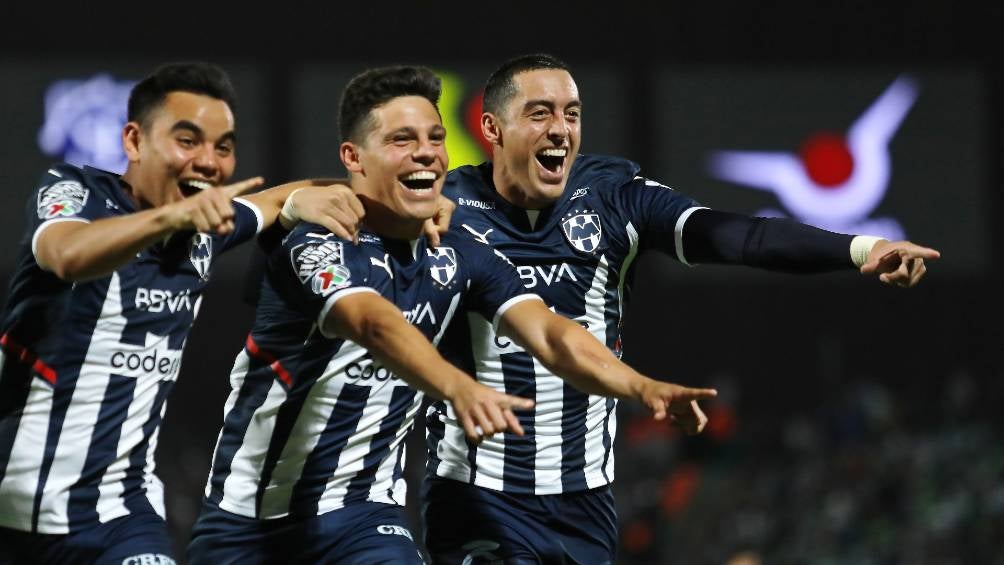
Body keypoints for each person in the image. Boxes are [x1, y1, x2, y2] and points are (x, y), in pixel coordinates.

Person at [420, 53, 942, 564]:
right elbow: (359, 200)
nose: (561, 129)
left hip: (584, 503)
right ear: (492, 128)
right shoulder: (443, 206)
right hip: (475, 494)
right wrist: (335, 196)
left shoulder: (615, 196)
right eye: (540, 113)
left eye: (572, 114)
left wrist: (859, 249)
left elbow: (739, 236)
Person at [186, 65, 717, 565]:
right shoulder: (315, 241)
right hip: (245, 524)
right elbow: (374, 323)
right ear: (353, 157)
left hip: (365, 517)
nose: (427, 155)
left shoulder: (463, 251)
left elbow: (553, 336)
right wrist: (458, 388)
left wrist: (641, 387)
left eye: (435, 139)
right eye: (402, 141)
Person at [0, 61, 372, 565]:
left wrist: (426, 203)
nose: (208, 161)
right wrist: (172, 216)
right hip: (10, 504)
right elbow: (66, 255)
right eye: (187, 140)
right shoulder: (75, 190)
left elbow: (282, 196)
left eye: (223, 147)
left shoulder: (205, 229)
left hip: (118, 519)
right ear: (134, 141)